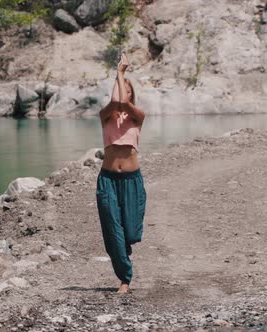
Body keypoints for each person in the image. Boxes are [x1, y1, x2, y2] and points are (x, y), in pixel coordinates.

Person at [96, 53, 147, 294]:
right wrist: (119, 75)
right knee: (113, 229)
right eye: (117, 89)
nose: (120, 93)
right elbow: (116, 105)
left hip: (131, 181)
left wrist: (122, 74)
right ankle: (124, 278)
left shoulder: (137, 116)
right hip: (107, 180)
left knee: (131, 229)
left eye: (125, 89)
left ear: (130, 94)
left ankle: (125, 248)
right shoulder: (105, 115)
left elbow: (124, 105)